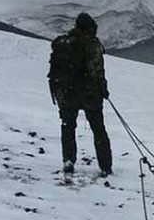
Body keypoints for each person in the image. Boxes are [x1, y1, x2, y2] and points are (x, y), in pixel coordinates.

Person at [48, 12, 112, 178]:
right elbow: (96, 71)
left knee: (68, 127)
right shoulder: (91, 45)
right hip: (89, 94)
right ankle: (105, 166)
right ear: (90, 28)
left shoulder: (63, 43)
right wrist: (103, 88)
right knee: (98, 129)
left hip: (66, 94)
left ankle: (68, 161)